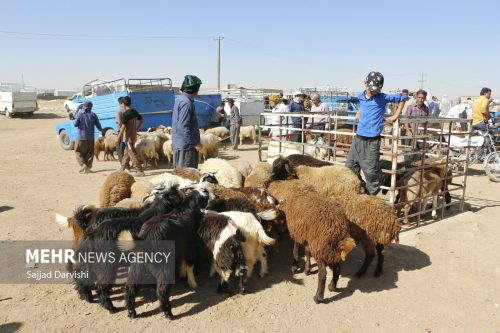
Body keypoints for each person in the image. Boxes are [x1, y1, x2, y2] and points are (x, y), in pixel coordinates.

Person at [345, 71, 407, 195]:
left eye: (376, 90)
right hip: (358, 138)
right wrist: (359, 112)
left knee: (370, 171)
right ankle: (362, 188)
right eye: (371, 89)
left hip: (372, 140)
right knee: (350, 166)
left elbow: (403, 98)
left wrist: (395, 115)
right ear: (365, 83)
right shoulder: (361, 96)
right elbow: (364, 105)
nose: (373, 92)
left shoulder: (383, 97)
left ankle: (371, 196)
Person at [172, 75, 203, 168]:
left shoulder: (180, 100)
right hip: (187, 148)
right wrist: (195, 143)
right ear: (194, 89)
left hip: (180, 145)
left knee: (180, 177)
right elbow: (183, 126)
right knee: (188, 179)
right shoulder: (187, 103)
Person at [116, 96, 145, 176]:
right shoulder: (134, 112)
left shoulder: (125, 114)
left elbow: (122, 127)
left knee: (132, 153)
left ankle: (140, 170)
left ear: (124, 104)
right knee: (126, 153)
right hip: (133, 136)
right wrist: (136, 129)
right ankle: (122, 169)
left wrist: (118, 137)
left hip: (128, 138)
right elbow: (142, 121)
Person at [73, 101, 103, 174]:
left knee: (78, 151)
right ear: (91, 107)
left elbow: (75, 124)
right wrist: (102, 131)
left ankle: (83, 165)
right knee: (89, 153)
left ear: (84, 106)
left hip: (81, 137)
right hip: (90, 138)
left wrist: (76, 116)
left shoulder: (80, 114)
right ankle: (88, 167)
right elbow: (98, 126)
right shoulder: (93, 114)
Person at [403, 89, 430, 160]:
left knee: (419, 155)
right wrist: (408, 131)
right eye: (419, 97)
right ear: (416, 97)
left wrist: (426, 132)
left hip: (421, 135)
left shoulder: (426, 109)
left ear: (425, 98)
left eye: (422, 98)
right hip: (411, 135)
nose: (421, 99)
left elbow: (427, 121)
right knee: (408, 155)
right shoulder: (411, 107)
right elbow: (406, 120)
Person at [115, 97, 126, 164]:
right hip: (128, 131)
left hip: (121, 131)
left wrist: (120, 131)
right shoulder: (128, 110)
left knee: (120, 148)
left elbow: (119, 122)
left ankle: (123, 163)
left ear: (119, 102)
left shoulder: (119, 111)